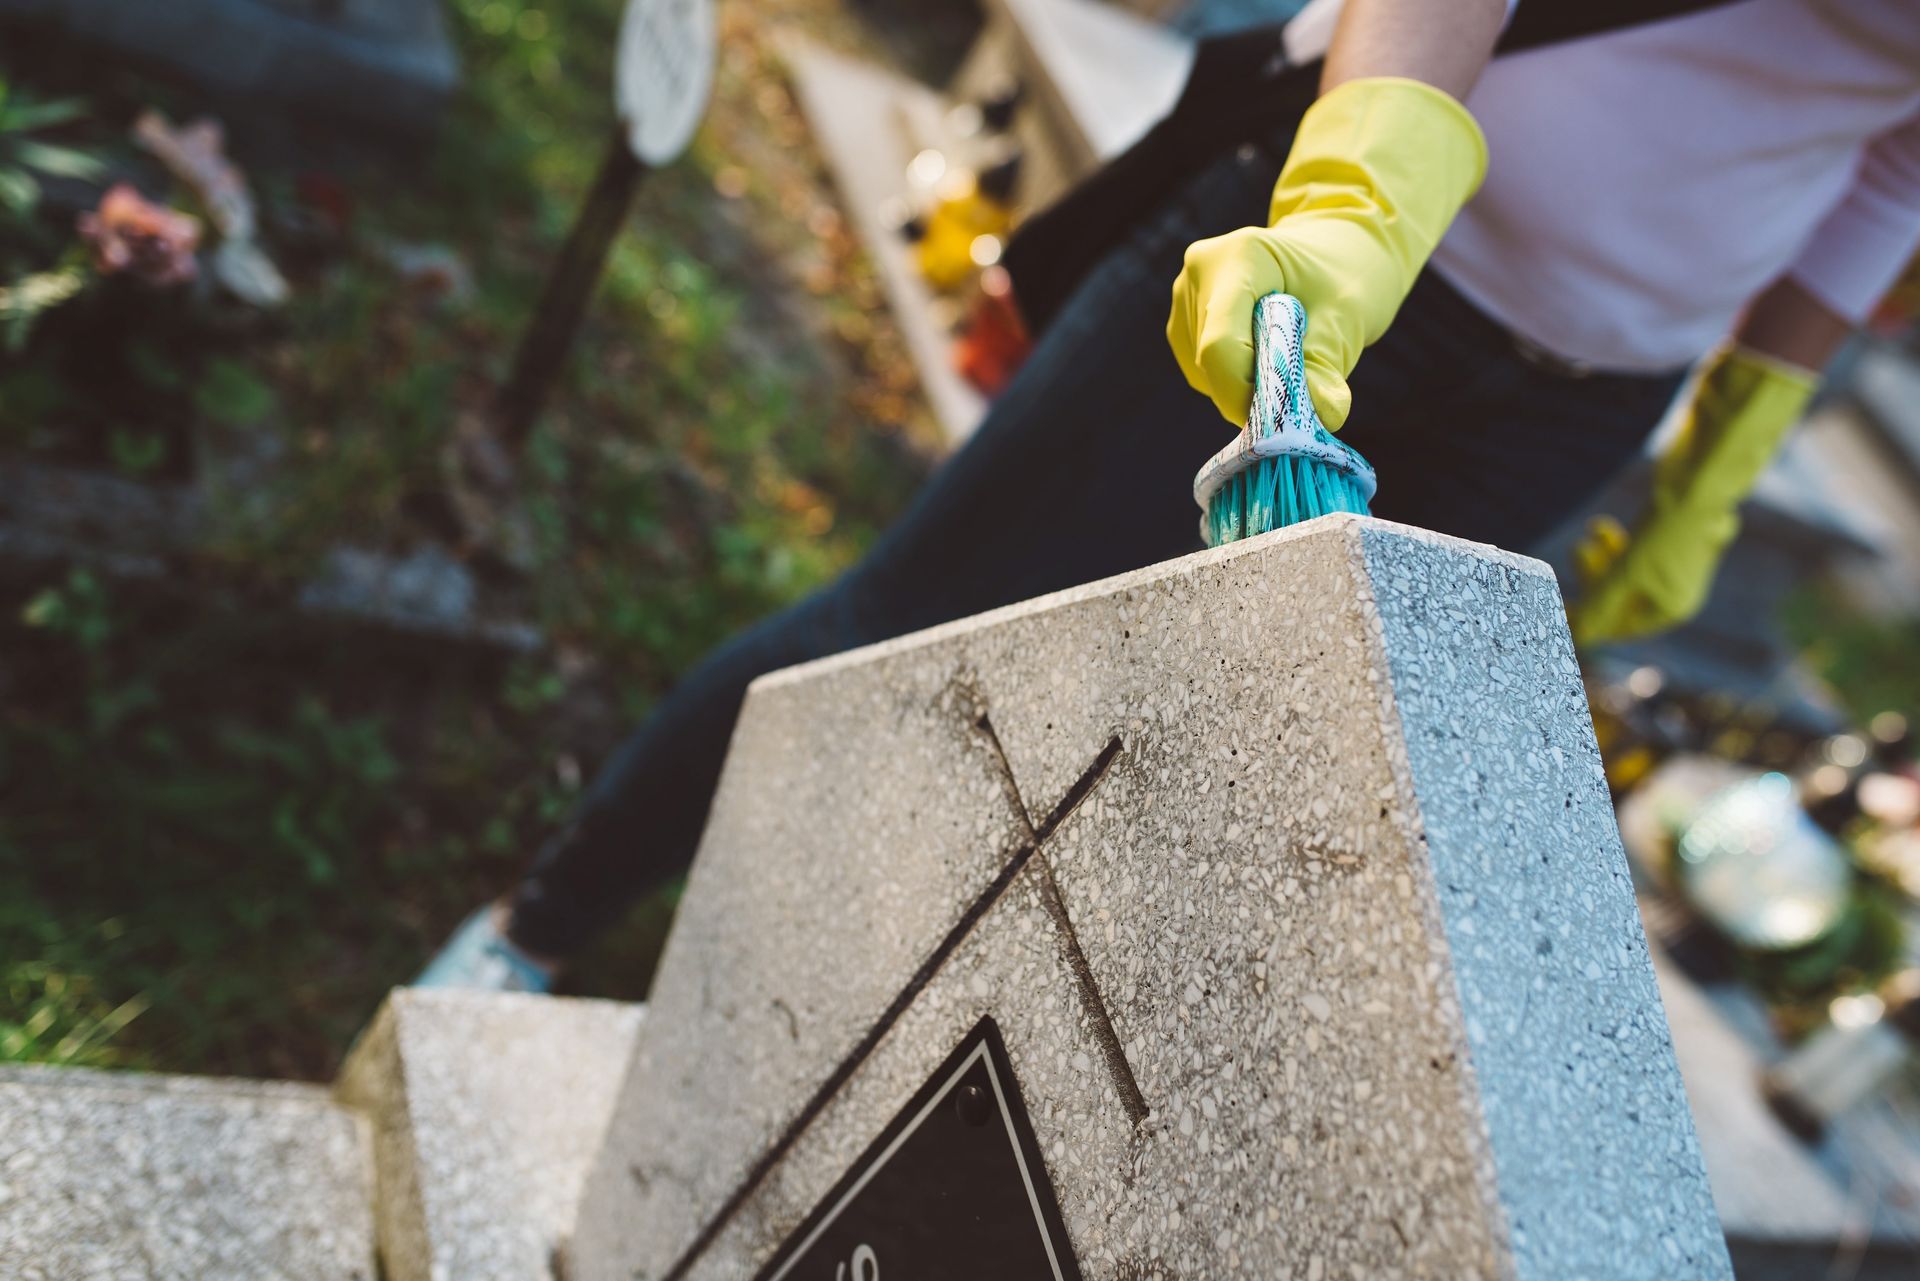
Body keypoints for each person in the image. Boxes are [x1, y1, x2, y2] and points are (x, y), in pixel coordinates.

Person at [417, 0, 1920, 990]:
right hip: (1336, 241)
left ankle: (883, 1026)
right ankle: (535, 930)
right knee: (909, 619)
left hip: (1582, 396)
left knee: (1208, 762)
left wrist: (1723, 449)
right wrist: (1351, 219)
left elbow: (1888, 174)